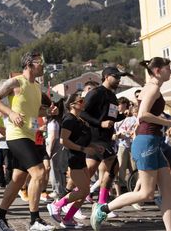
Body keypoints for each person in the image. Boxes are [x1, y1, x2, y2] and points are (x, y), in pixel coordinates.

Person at [91, 57, 171, 231]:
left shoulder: (150, 86)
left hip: (152, 142)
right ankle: (103, 208)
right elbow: (142, 115)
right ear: (158, 71)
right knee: (146, 193)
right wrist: (168, 122)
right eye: (168, 68)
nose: (170, 71)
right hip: (147, 142)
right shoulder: (153, 88)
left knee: (167, 194)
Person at [0, 51, 57, 231]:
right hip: (16, 134)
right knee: (39, 173)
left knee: (18, 179)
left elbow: (35, 112)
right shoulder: (16, 82)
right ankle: (34, 220)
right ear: (28, 64)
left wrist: (49, 112)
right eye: (39, 62)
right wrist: (10, 112)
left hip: (30, 134)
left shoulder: (36, 87)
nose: (43, 65)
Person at [46, 93, 103, 228]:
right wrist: (83, 149)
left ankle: (68, 218)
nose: (84, 103)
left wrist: (94, 146)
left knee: (84, 192)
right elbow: (63, 141)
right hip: (72, 159)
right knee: (83, 191)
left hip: (80, 158)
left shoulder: (80, 120)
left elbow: (81, 139)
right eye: (81, 101)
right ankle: (56, 205)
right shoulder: (69, 120)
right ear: (72, 104)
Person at [80, 66, 128, 218]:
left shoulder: (113, 96)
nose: (119, 79)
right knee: (113, 166)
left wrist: (122, 116)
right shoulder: (96, 92)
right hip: (95, 138)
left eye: (120, 77)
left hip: (105, 138)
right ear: (107, 76)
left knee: (87, 174)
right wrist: (100, 124)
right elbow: (82, 112)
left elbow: (110, 118)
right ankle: (101, 205)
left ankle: (64, 203)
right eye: (116, 76)